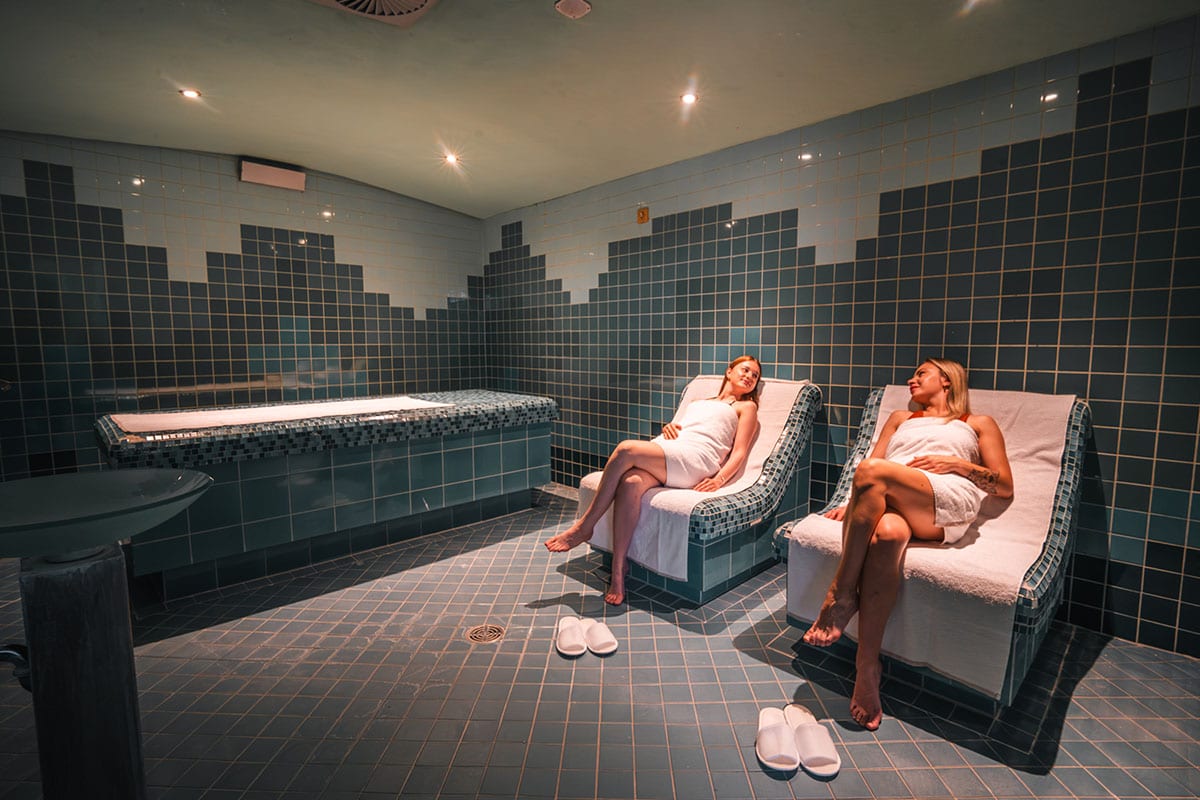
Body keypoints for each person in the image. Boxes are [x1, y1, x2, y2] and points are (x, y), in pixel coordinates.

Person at [802, 358, 1013, 730]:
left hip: (943, 500)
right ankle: (867, 669)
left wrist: (957, 464)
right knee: (888, 534)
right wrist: (854, 506)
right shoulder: (899, 418)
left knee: (871, 473)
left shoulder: (976, 423)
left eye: (921, 374)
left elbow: (1004, 485)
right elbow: (875, 462)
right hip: (887, 498)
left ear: (946, 381)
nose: (910, 379)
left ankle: (841, 593)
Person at [544, 355, 763, 605]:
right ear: (729, 371)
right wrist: (671, 427)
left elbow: (740, 452)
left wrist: (720, 479)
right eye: (745, 370)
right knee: (630, 483)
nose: (749, 377)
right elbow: (689, 428)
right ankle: (618, 571)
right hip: (674, 449)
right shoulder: (700, 402)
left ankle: (585, 526)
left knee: (626, 449)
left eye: (754, 376)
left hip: (697, 459)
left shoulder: (746, 408)